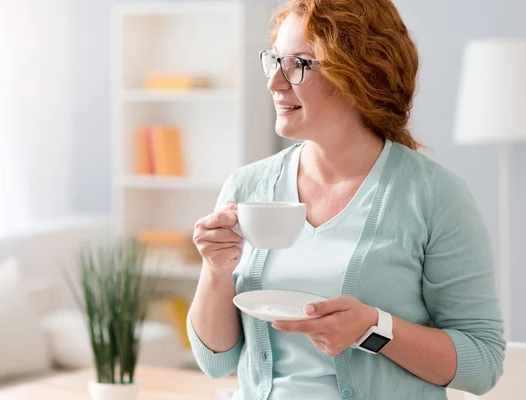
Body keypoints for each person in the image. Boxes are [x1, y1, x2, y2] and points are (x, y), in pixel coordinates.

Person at [186, 0, 506, 399]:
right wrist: (216, 271)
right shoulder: (247, 186)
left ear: (360, 75)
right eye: (275, 60)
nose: (274, 82)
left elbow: (482, 364)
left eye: (298, 64)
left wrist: (374, 329)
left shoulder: (435, 195)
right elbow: (216, 361)